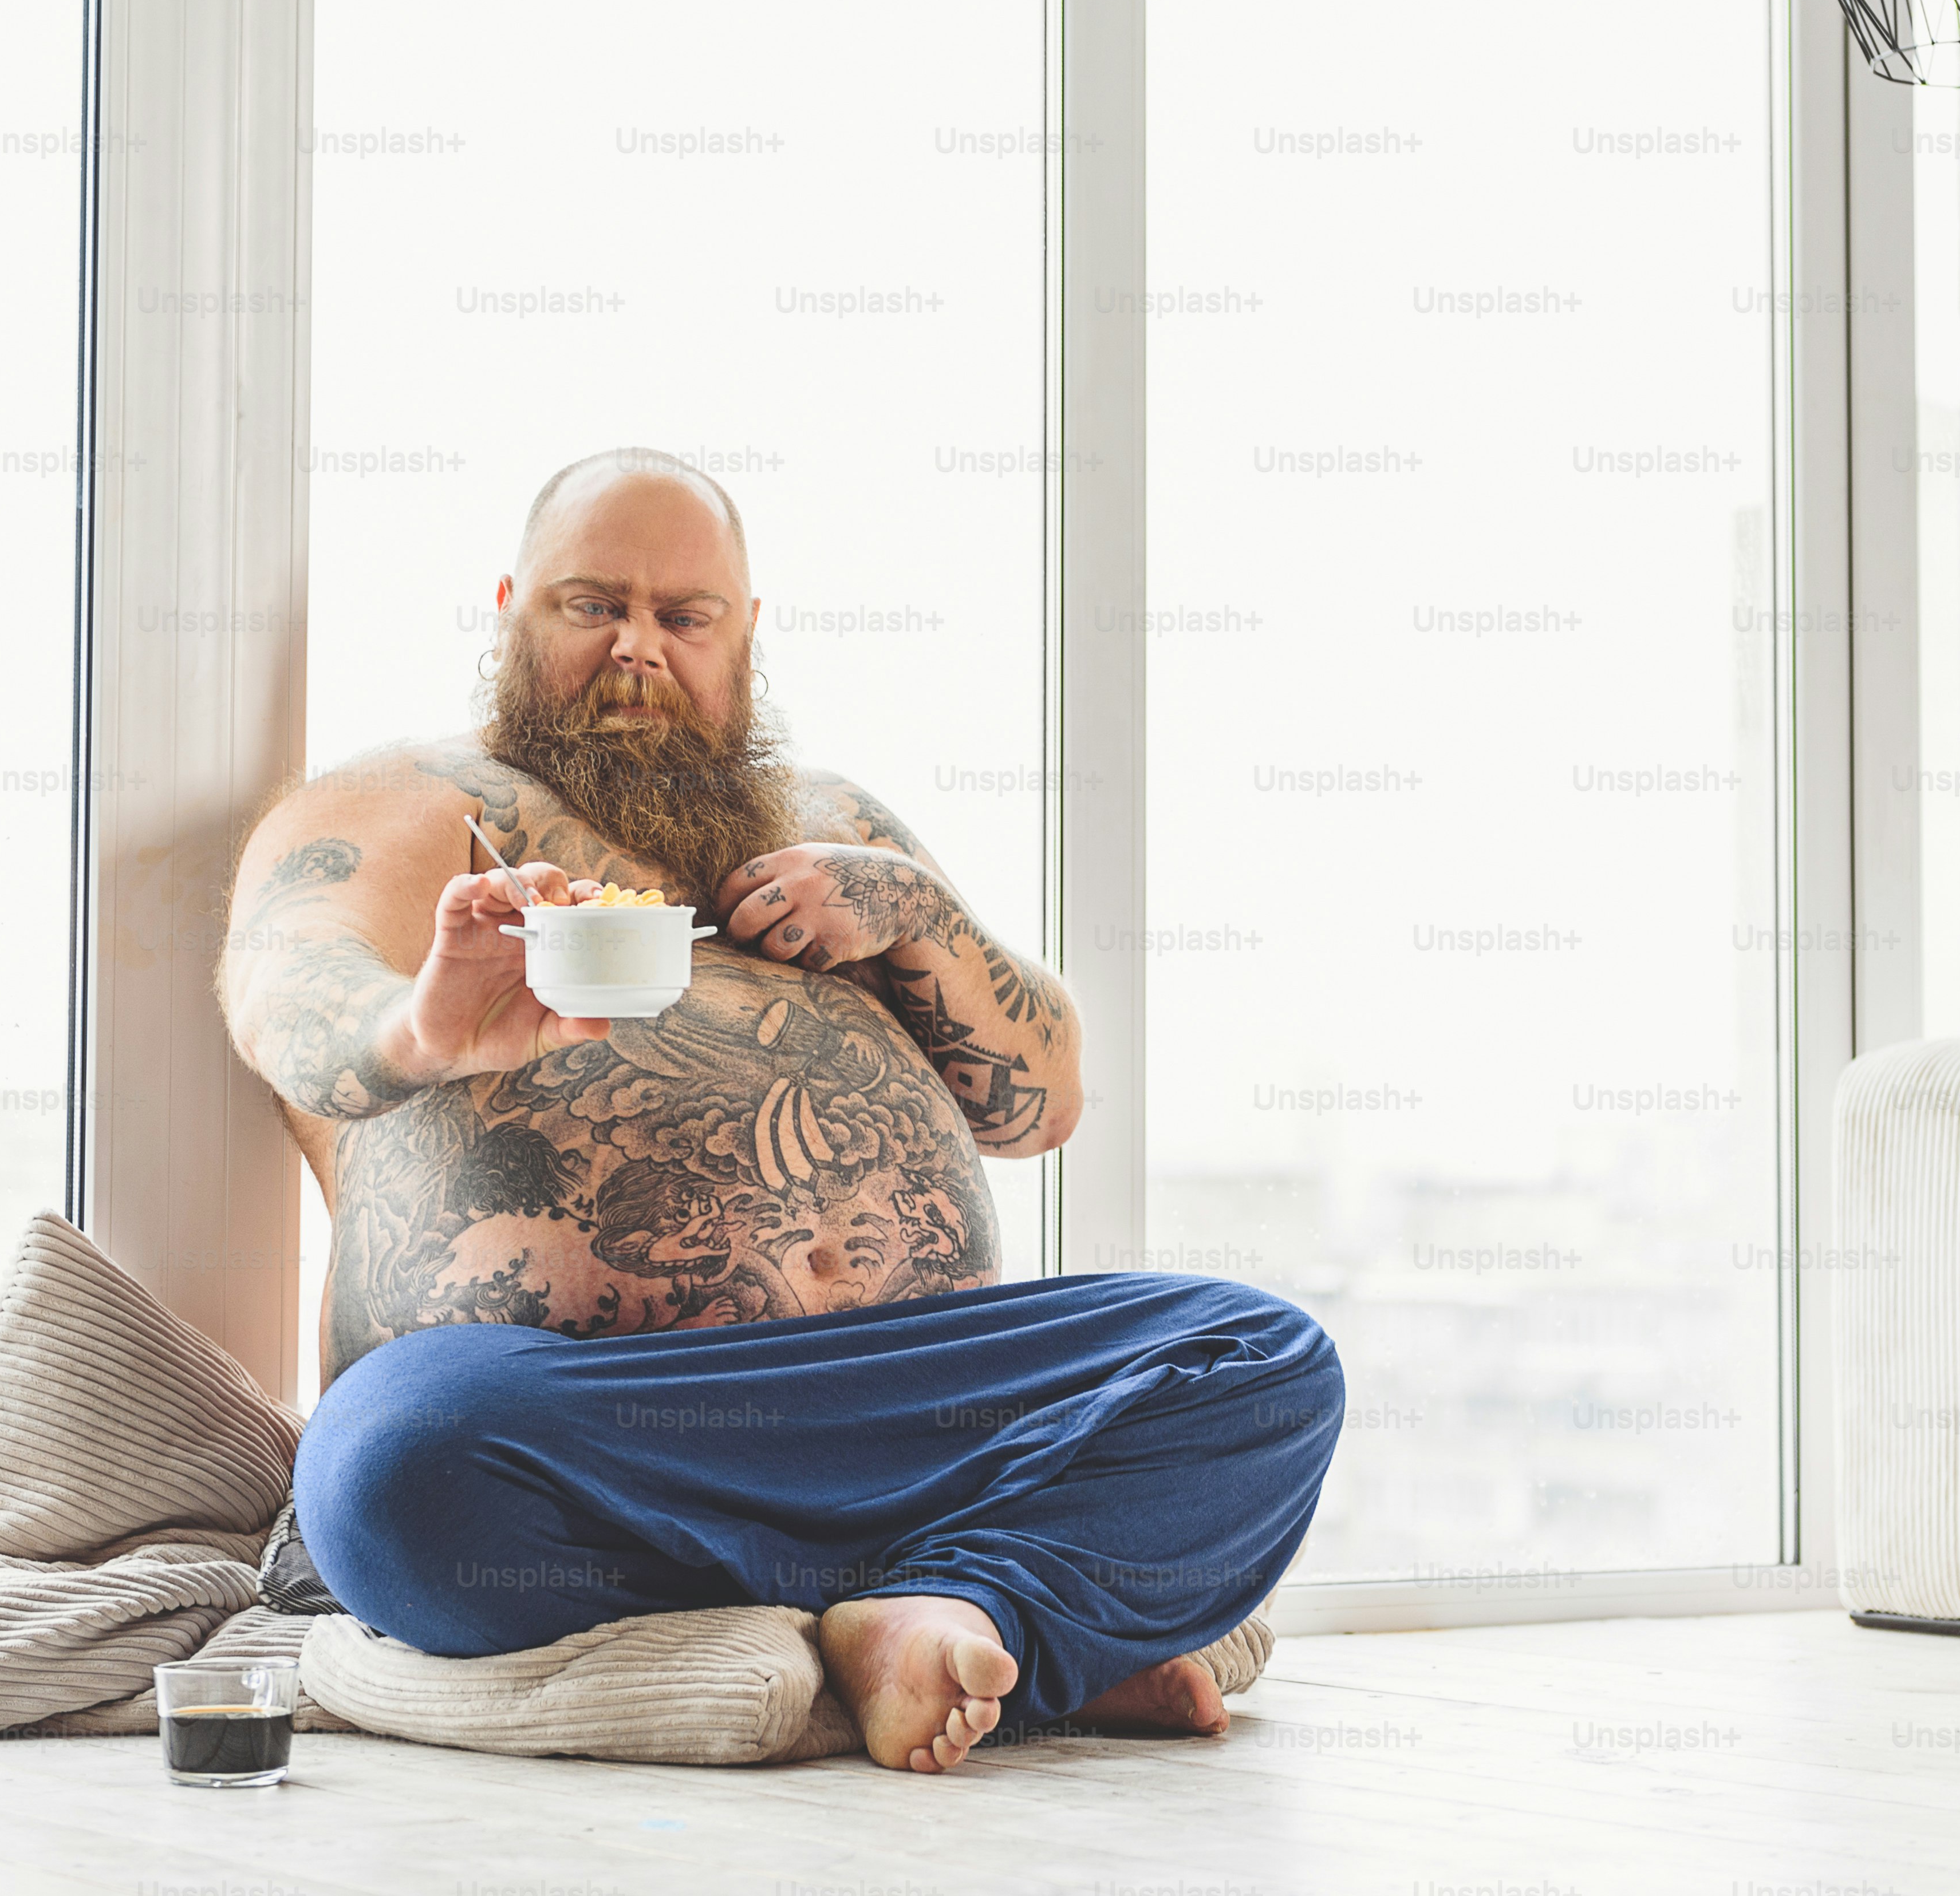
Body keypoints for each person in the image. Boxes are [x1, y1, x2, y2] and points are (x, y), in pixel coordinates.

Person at [218, 448, 1341, 1772]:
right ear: (514, 607)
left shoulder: (832, 819)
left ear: (745, 634)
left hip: (907, 1404)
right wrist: (426, 1022)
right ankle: (1011, 1610)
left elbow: (1042, 1103)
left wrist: (917, 916)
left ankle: (940, 1610)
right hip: (598, 1425)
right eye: (593, 604)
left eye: (685, 616)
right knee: (396, 1471)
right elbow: (283, 988)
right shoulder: (411, 805)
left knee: (1261, 1360)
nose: (639, 646)